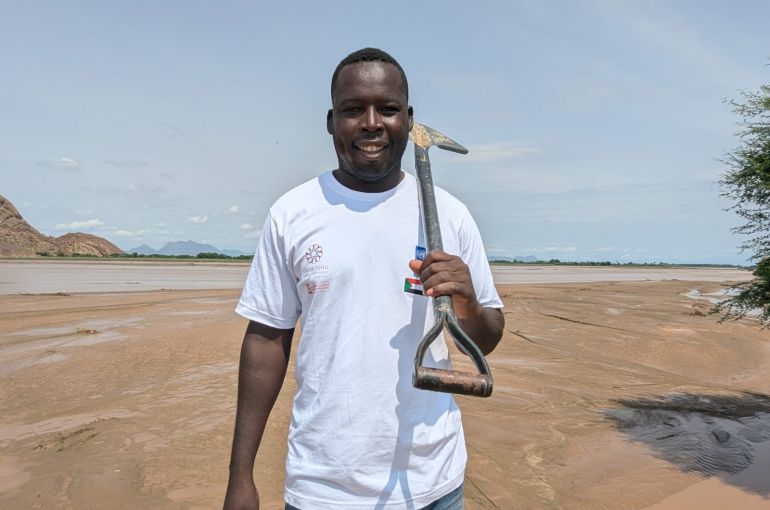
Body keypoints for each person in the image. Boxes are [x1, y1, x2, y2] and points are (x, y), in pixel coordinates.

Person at [223, 47, 504, 510]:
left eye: (387, 109)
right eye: (354, 110)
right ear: (332, 121)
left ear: (409, 121)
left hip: (434, 484)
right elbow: (266, 340)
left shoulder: (450, 216)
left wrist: (467, 301)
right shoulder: (293, 213)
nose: (371, 123)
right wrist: (240, 478)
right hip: (323, 488)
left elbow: (487, 339)